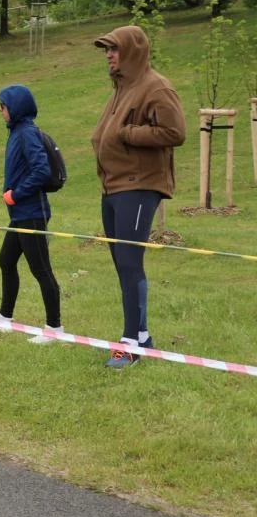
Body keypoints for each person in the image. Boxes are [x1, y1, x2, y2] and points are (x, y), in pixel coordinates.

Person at [91, 25, 186, 369]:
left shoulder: (156, 87)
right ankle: (142, 337)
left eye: (114, 49)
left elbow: (175, 132)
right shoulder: (121, 88)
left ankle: (130, 344)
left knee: (130, 262)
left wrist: (129, 133)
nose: (108, 55)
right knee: (122, 263)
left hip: (139, 185)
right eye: (106, 50)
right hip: (113, 187)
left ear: (132, 51)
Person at [0, 85, 62, 343]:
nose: (0, 110)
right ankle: (4, 318)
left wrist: (16, 194)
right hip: (20, 215)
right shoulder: (16, 132)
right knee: (6, 260)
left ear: (16, 108)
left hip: (32, 213)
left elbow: (41, 171)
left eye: (3, 106)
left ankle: (54, 329)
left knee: (41, 269)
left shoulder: (27, 133)